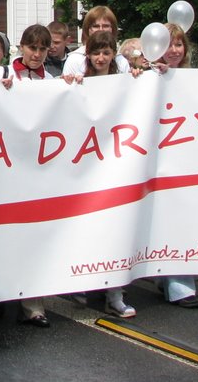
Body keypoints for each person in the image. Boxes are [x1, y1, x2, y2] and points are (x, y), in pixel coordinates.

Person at [0, 24, 63, 327]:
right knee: (5, 234)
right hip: (6, 166)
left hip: (38, 167)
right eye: (32, 48)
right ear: (21, 47)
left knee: (35, 234)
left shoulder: (51, 80)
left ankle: (33, 304)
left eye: (43, 49)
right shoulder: (3, 74)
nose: (36, 54)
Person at [79, 32, 137, 318]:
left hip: (116, 162)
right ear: (88, 55)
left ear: (114, 54)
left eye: (106, 53)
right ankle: (88, 286)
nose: (100, 58)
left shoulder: (124, 80)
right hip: (88, 165)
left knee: (116, 227)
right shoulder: (80, 80)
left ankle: (116, 294)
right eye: (95, 53)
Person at [148, 23, 198, 309]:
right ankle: (172, 280)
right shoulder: (146, 77)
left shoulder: (195, 80)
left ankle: (177, 281)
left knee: (182, 218)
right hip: (154, 162)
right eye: (168, 44)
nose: (173, 50)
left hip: (186, 161)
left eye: (178, 44)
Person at [63, 6, 131, 76]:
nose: (101, 30)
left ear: (113, 29)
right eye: (96, 26)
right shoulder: (75, 59)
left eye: (106, 26)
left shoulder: (121, 61)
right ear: (88, 30)